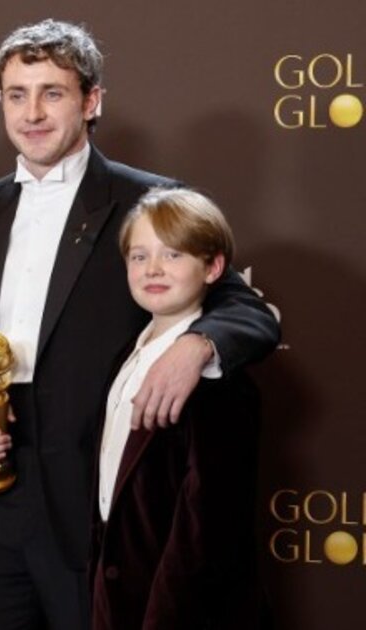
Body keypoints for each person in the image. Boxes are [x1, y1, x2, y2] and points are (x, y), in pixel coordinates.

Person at [0, 19, 280, 630]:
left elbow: (247, 310)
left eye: (52, 93)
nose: (32, 113)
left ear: (91, 101)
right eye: (17, 94)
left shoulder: (147, 200)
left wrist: (197, 346)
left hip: (91, 504)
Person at [92, 188, 262, 629]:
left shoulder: (215, 378)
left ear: (214, 268)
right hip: (116, 599)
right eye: (139, 256)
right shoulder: (126, 356)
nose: (152, 269)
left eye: (173, 255)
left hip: (175, 607)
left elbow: (206, 531)